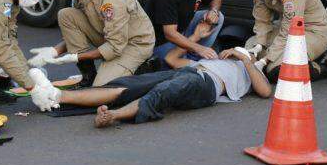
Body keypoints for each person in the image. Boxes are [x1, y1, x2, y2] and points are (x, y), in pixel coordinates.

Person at [33, 45, 272, 128]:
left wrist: (246, 59)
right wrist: (197, 41)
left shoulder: (250, 71)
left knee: (161, 93)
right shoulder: (216, 60)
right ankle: (56, 96)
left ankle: (112, 116)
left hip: (206, 85)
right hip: (190, 72)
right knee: (126, 86)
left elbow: (265, 92)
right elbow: (173, 60)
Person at [28, 0, 155, 87]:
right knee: (66, 15)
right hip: (110, 37)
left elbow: (115, 47)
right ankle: (88, 76)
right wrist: (53, 52)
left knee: (101, 89)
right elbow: (76, 33)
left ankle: (142, 68)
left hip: (133, 44)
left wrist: (75, 57)